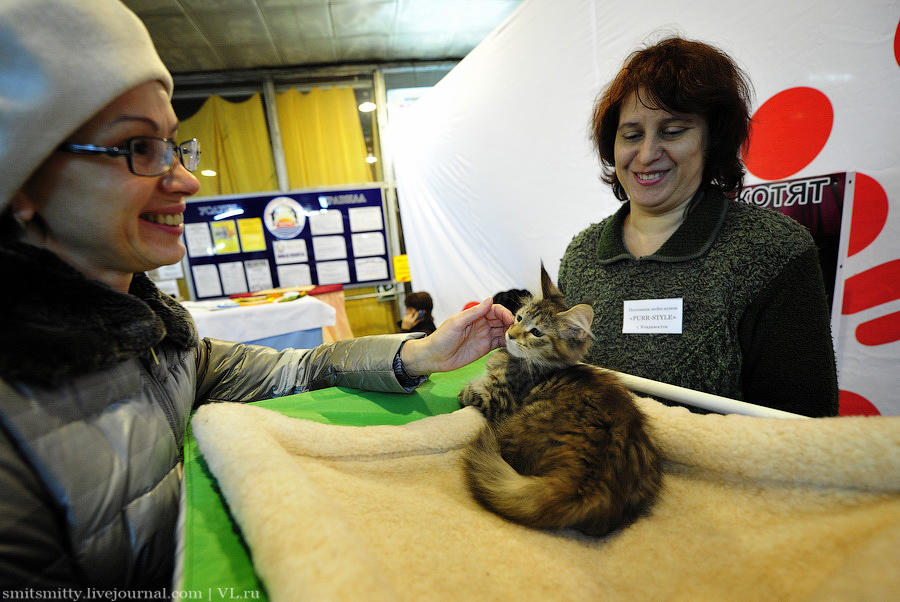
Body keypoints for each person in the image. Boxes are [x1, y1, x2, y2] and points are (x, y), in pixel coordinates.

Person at [0, 0, 513, 590]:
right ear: (22, 179)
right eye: (138, 147)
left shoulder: (163, 342)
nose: (186, 180)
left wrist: (416, 355)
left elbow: (294, 370)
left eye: (174, 144)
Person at [558, 36, 838, 417]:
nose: (647, 154)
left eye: (672, 131)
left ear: (713, 140)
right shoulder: (582, 256)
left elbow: (804, 421)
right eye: (632, 135)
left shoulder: (773, 250)